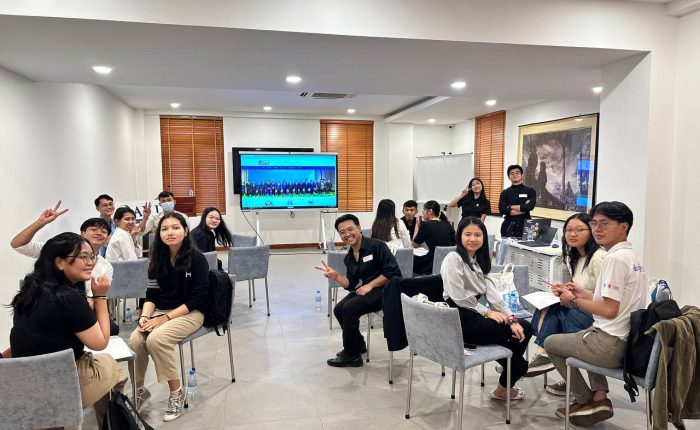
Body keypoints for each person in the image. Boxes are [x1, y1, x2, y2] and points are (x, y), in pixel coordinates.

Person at [543, 201, 649, 426]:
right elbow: (614, 301)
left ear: (624, 226)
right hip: (627, 341)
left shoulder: (613, 258)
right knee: (573, 327)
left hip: (609, 343)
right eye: (594, 223)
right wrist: (583, 293)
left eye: (605, 223)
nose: (597, 229)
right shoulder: (631, 256)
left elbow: (609, 310)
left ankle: (585, 400)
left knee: (551, 343)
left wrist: (574, 300)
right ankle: (597, 397)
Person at [9, 232, 127, 427]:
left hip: (26, 382)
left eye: (92, 257)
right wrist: (100, 297)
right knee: (114, 367)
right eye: (83, 257)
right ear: (60, 262)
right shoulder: (69, 298)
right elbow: (100, 342)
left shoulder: (30, 290)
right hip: (63, 383)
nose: (90, 263)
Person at [440, 217, 533, 400]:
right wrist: (488, 312)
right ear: (459, 236)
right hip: (458, 319)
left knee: (523, 328)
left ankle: (509, 371)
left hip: (473, 314)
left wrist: (511, 318)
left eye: (477, 235)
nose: (472, 239)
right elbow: (459, 297)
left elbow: (494, 296)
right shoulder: (453, 258)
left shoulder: (479, 260)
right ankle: (507, 381)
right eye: (468, 234)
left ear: (483, 237)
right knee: (520, 359)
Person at [128, 212, 208, 422]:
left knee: (157, 339)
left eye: (175, 227)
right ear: (158, 233)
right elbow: (151, 294)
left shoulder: (197, 258)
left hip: (190, 312)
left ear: (185, 231)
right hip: (160, 311)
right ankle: (139, 390)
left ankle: (177, 391)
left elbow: (198, 298)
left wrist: (164, 319)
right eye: (164, 229)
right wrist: (145, 317)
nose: (170, 232)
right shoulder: (157, 259)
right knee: (135, 340)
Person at [524, 213, 606, 396]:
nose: (572, 234)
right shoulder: (576, 257)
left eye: (579, 230)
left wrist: (573, 296)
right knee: (550, 306)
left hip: (598, 314)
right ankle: (563, 372)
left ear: (591, 231)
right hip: (582, 308)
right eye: (568, 230)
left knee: (556, 313)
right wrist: (564, 290)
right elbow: (580, 288)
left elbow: (606, 298)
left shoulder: (599, 258)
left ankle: (545, 355)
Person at [315, 214, 402, 367]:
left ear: (359, 228)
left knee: (349, 308)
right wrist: (336, 276)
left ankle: (352, 355)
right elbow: (350, 284)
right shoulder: (349, 257)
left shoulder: (377, 246)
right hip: (370, 290)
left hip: (388, 289)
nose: (347, 234)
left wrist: (370, 285)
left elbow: (392, 272)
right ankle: (358, 345)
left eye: (350, 229)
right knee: (338, 309)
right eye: (342, 232)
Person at [412, 200, 456, 275]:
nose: (422, 213)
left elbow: (414, 245)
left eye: (423, 210)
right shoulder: (448, 225)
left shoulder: (426, 225)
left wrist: (417, 225)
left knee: (411, 259)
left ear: (430, 211)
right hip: (448, 262)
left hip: (430, 264)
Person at [498, 164, 537, 238]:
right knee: (507, 245)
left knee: (526, 245)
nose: (515, 175)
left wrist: (510, 207)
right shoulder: (505, 193)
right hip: (508, 226)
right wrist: (524, 209)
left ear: (521, 174)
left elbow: (530, 207)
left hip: (526, 226)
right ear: (509, 176)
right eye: (512, 173)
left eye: (517, 173)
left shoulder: (530, 191)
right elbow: (502, 210)